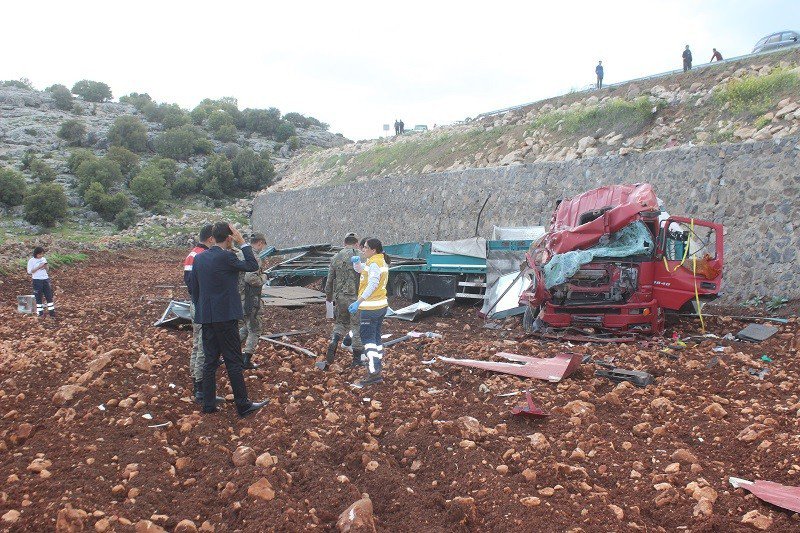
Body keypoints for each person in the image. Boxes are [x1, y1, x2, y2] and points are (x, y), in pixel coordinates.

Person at [190, 222, 266, 418]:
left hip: (207, 317)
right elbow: (252, 265)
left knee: (209, 361)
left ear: (213, 237)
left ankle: (208, 404)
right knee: (233, 360)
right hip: (226, 316)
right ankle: (243, 404)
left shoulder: (199, 259)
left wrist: (202, 310)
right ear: (229, 237)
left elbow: (194, 288)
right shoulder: (227, 257)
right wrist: (244, 243)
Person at [349, 238, 390, 388]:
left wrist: (358, 302)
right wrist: (356, 263)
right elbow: (362, 270)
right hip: (380, 306)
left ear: (373, 250)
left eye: (365, 247)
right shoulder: (379, 260)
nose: (363, 249)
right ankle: (377, 366)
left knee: (368, 340)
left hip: (371, 308)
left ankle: (373, 372)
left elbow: (372, 284)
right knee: (376, 338)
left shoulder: (374, 263)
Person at [184, 224, 218, 404]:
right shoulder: (202, 256)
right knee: (203, 345)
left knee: (197, 344)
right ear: (211, 239)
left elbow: (189, 283)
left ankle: (196, 382)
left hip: (195, 303)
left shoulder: (192, 254)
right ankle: (201, 388)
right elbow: (195, 285)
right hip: (201, 305)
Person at [319, 233, 363, 370]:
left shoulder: (335, 258)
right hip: (356, 298)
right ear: (356, 243)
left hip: (340, 297)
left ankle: (334, 341)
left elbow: (329, 281)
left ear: (344, 243)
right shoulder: (361, 256)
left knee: (340, 323)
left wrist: (328, 298)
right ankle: (356, 360)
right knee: (356, 327)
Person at [238, 233, 268, 369]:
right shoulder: (254, 257)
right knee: (255, 329)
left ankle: (229, 352)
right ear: (260, 243)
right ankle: (246, 359)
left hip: (239, 298)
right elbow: (251, 278)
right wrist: (264, 278)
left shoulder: (240, 254)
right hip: (250, 299)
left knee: (246, 327)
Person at [27, 246, 55, 318]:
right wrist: (38, 267)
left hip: (45, 279)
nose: (41, 256)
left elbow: (47, 269)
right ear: (36, 254)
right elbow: (30, 272)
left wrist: (45, 267)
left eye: (42, 254)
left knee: (49, 296)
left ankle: (52, 313)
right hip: (37, 280)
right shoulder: (31, 261)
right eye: (39, 254)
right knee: (38, 296)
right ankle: (40, 313)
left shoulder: (44, 259)